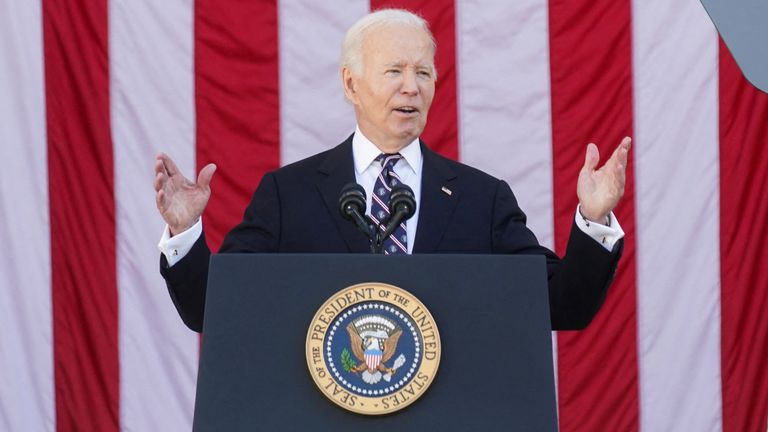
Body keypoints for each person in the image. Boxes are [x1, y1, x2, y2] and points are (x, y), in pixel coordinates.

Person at [154, 9, 630, 333]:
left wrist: (592, 219)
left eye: (423, 73)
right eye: (394, 71)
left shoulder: (482, 199)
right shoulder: (288, 194)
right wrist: (184, 232)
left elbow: (562, 304)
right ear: (351, 83)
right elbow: (213, 309)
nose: (411, 88)